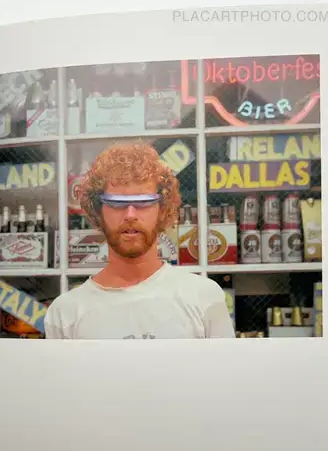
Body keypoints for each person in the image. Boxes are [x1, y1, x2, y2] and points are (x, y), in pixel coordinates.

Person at [44, 141, 235, 340]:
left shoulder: (204, 298)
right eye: (117, 204)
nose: (130, 215)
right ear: (98, 211)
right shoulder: (65, 314)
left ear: (162, 209)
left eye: (144, 202)